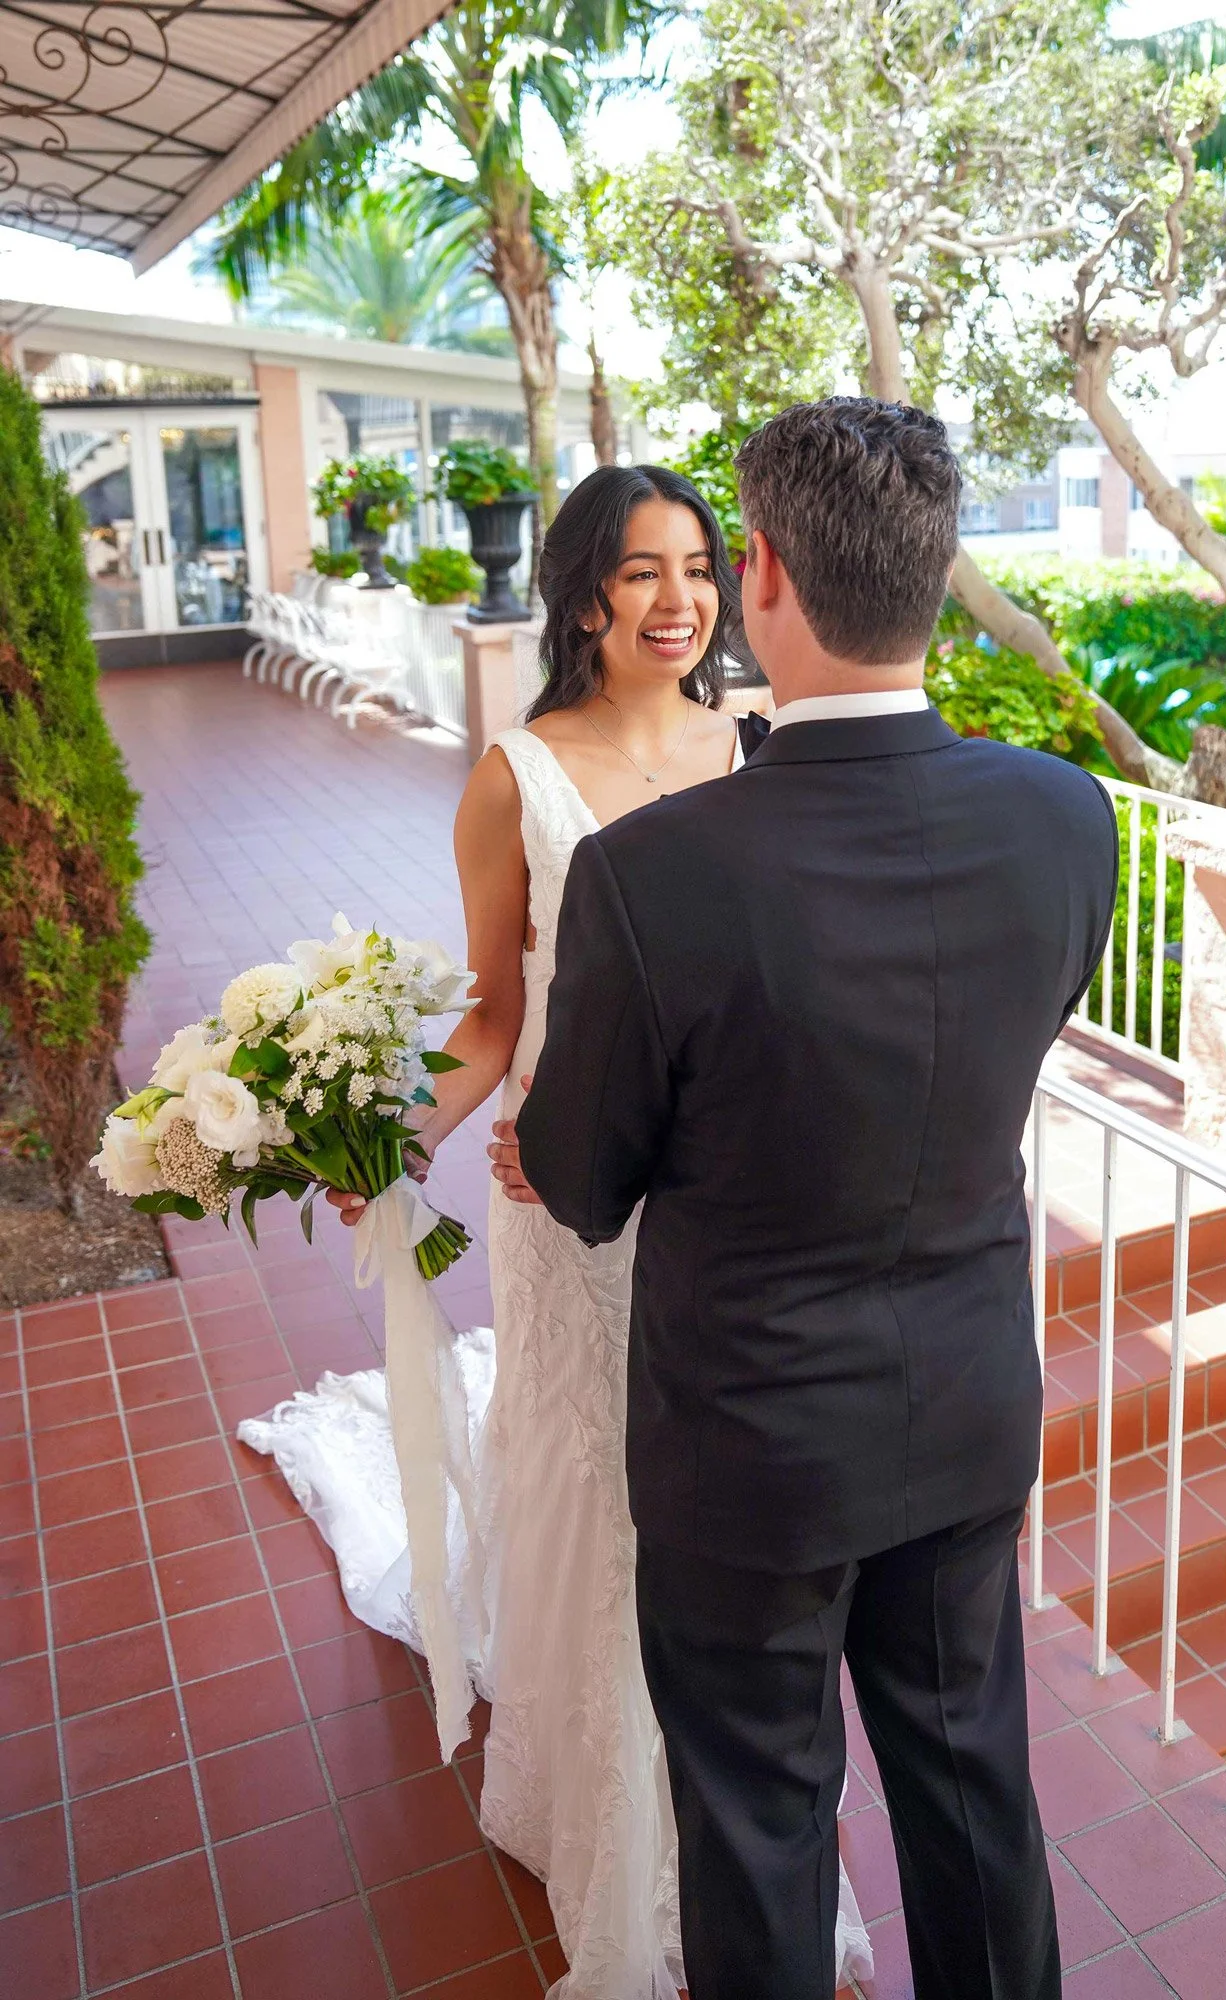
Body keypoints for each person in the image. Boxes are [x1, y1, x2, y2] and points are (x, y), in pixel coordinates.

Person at [501, 399, 1120, 2000]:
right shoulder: (1066, 817)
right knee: (973, 1787)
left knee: (761, 1824)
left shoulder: (658, 872)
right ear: (934, 571)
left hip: (750, 1445)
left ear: (761, 575)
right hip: (966, 1398)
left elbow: (578, 1176)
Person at [252, 463, 872, 1996]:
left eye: (701, 569)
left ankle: (725, 1810)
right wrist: (399, 1135)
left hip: (722, 1202)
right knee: (599, 1501)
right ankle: (609, 1816)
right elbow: (491, 1013)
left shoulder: (760, 750)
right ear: (581, 591)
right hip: (565, 1214)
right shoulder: (513, 776)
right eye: (640, 572)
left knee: (712, 1512)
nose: (678, 602)